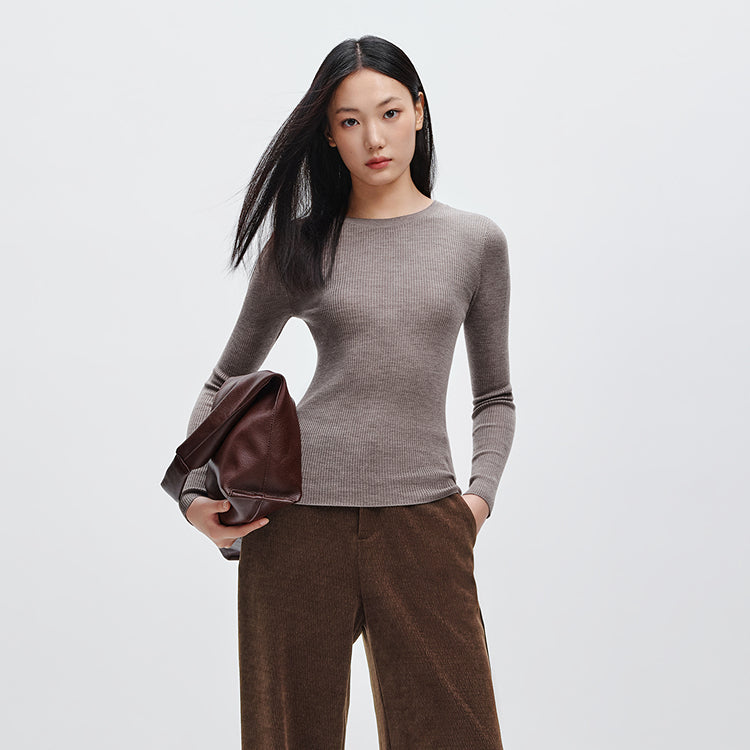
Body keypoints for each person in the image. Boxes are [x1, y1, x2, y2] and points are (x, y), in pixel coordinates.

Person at [173, 34, 516, 750]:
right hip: (298, 525)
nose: (374, 139)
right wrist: (192, 493)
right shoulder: (298, 246)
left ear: (419, 111)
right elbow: (225, 380)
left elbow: (494, 399)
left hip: (425, 522)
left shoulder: (475, 242)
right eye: (350, 121)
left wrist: (476, 503)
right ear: (329, 135)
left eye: (388, 113)